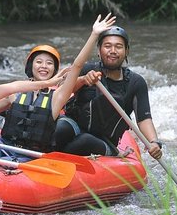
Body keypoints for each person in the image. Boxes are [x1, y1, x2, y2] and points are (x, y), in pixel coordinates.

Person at [0, 14, 117, 158]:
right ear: (31, 65)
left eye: (49, 63)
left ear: (55, 69)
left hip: (30, 156)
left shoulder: (57, 97)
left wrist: (94, 34)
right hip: (3, 145)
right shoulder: (14, 92)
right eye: (39, 62)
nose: (43, 66)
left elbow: (77, 66)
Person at [55, 26, 163, 160]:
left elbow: (144, 119)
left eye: (118, 46)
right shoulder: (87, 69)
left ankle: (54, 158)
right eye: (107, 46)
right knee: (60, 129)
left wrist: (154, 142)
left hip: (104, 139)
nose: (113, 51)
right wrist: (83, 80)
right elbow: (61, 91)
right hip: (75, 124)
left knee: (85, 141)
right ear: (99, 50)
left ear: (126, 51)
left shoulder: (136, 83)